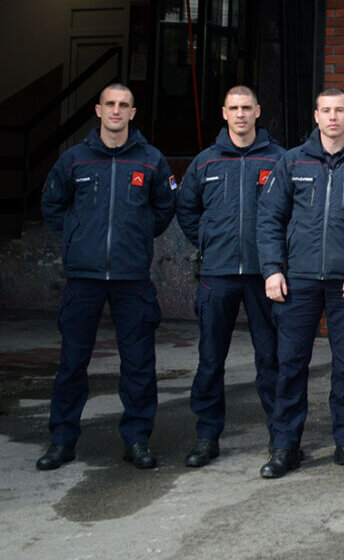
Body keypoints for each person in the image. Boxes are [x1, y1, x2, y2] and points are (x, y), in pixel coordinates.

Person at [256, 87, 344, 478]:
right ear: (316, 116)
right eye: (326, 110)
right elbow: (269, 218)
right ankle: (284, 447)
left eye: (340, 110)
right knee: (289, 365)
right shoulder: (291, 162)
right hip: (297, 281)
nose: (333, 117)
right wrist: (271, 270)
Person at [37, 83, 176, 470]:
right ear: (98, 110)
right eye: (110, 104)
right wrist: (78, 239)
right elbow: (53, 204)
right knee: (72, 363)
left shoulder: (151, 161)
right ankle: (62, 442)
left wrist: (135, 238)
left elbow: (164, 209)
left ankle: (137, 440)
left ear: (133, 113)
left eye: (124, 105)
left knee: (138, 364)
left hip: (133, 279)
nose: (116, 111)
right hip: (84, 278)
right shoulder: (74, 160)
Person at [175, 85, 286, 467]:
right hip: (216, 275)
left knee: (271, 359)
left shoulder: (279, 160)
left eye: (247, 108)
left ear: (258, 111)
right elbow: (186, 210)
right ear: (224, 113)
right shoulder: (205, 162)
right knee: (210, 360)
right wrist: (208, 243)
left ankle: (281, 437)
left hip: (265, 276)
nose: (240, 114)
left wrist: (278, 260)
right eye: (234, 108)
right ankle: (207, 436)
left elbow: (293, 213)